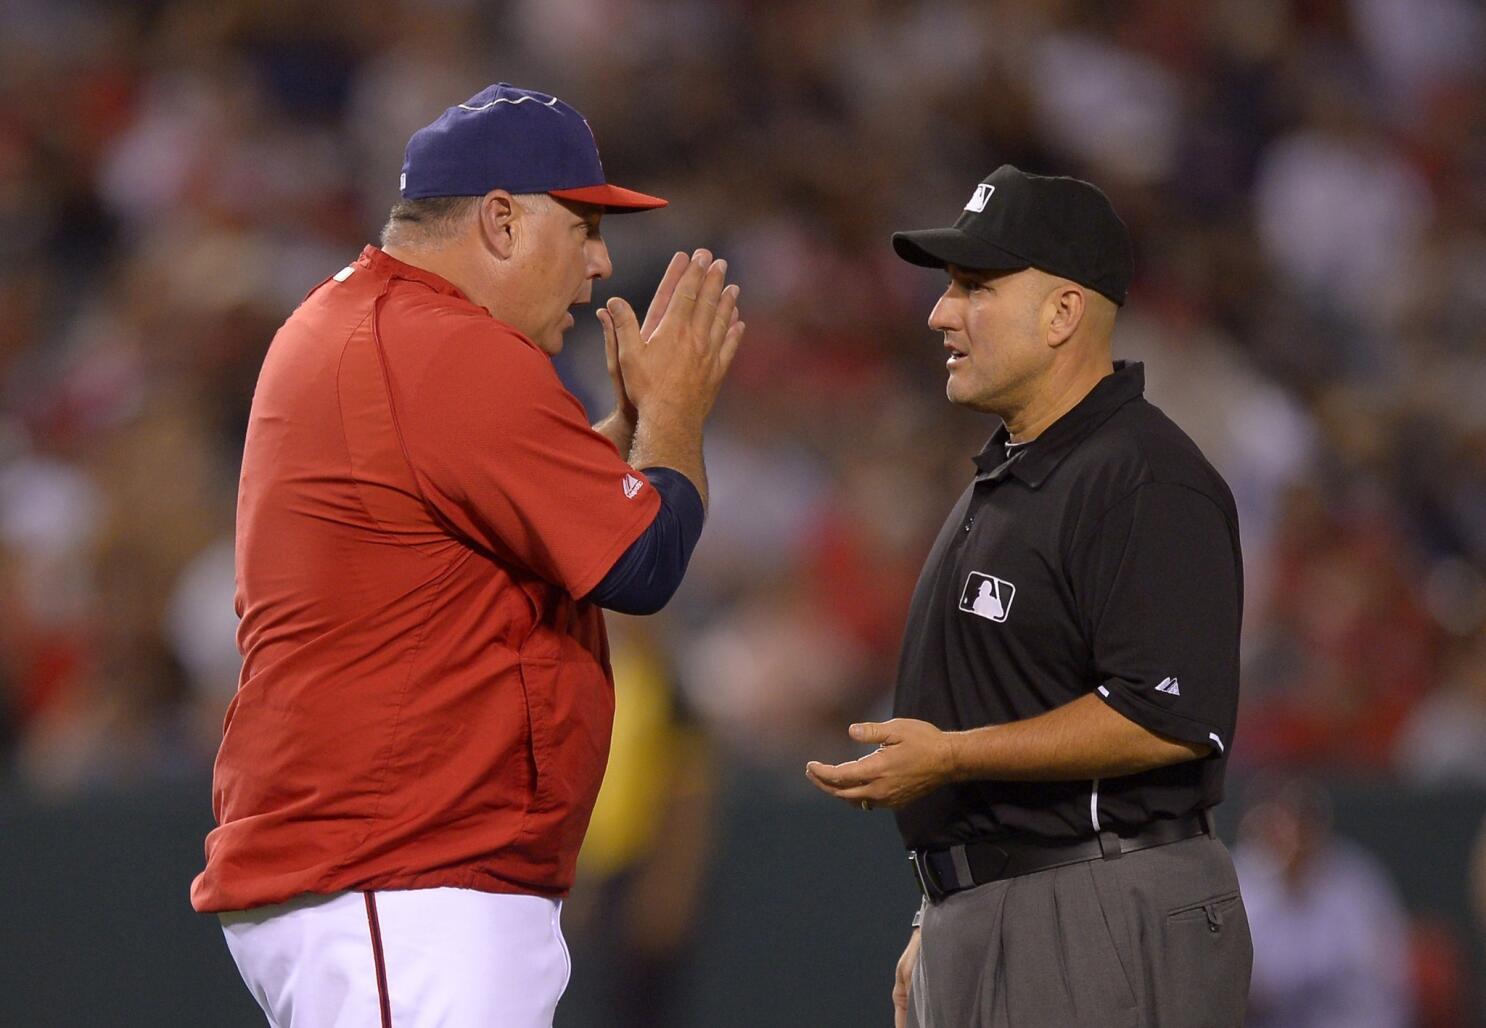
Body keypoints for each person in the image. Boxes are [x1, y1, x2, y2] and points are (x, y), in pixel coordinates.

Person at [189, 82, 744, 1028]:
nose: (601, 264)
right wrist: (678, 419)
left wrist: (628, 434)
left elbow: (477, 505)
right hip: (403, 879)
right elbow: (644, 562)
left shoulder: (371, 324)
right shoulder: (443, 346)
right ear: (499, 219)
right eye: (582, 226)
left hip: (393, 883)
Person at [806, 164, 1251, 1028]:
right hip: (1010, 904)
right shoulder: (1026, 469)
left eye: (976, 287)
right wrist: (945, 904)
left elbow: (1167, 715)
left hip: (1100, 904)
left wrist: (953, 759)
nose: (941, 313)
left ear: (1062, 313)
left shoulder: (1143, 479)